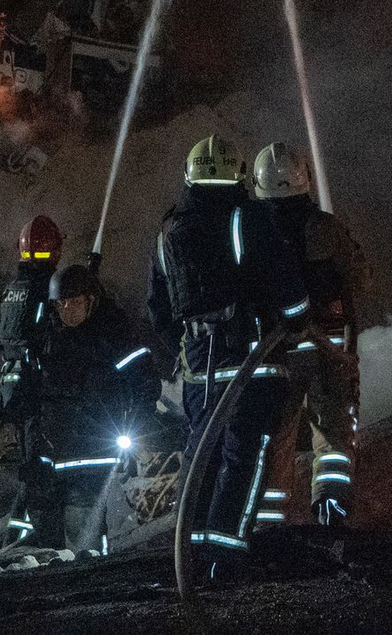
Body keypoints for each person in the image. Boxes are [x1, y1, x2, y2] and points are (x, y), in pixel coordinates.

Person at [147, 135, 310, 568]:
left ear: (190, 175)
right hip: (252, 362)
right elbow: (287, 287)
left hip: (200, 372)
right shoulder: (249, 218)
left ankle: (190, 553)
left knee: (202, 454)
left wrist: (191, 346)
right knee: (245, 454)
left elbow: (158, 312)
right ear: (238, 174)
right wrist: (296, 317)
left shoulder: (169, 233)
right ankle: (226, 556)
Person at [253, 143, 367, 527]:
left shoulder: (252, 230)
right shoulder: (326, 228)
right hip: (329, 346)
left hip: (275, 351)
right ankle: (331, 512)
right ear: (306, 180)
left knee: (276, 438)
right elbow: (360, 277)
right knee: (334, 433)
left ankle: (269, 526)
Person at [26, 263, 160, 551]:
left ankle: (87, 573)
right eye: (61, 303)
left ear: (91, 300)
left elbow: (145, 384)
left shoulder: (114, 336)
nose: (67, 310)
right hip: (54, 450)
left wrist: (135, 428)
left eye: (74, 302)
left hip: (94, 451)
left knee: (83, 527)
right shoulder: (49, 338)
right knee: (45, 530)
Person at [0, 215, 64, 542]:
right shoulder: (46, 289)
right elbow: (54, 335)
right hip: (37, 390)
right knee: (40, 470)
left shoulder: (13, 290)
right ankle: (33, 540)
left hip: (13, 390)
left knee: (30, 467)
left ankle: (18, 536)